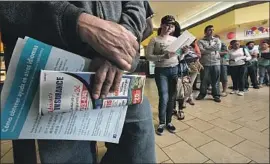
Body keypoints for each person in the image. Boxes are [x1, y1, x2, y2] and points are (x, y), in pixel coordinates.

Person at [0, 2, 156, 164]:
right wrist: (76, 21)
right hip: (57, 80)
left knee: (138, 150)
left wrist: (119, 46)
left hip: (121, 80)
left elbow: (136, 5)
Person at [146, 15, 178, 135]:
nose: (169, 28)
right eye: (167, 25)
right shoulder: (155, 40)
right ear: (162, 25)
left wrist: (184, 53)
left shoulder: (175, 40)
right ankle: (161, 122)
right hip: (161, 71)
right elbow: (149, 57)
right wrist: (163, 56)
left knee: (172, 97)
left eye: (172, 26)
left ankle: (169, 122)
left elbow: (178, 55)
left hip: (174, 69)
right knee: (164, 97)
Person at [197, 25, 222, 102]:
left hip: (216, 62)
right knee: (204, 79)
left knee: (216, 80)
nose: (211, 31)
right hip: (205, 63)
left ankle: (216, 95)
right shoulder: (200, 41)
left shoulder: (217, 40)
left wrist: (206, 49)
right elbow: (201, 51)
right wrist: (212, 49)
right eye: (209, 30)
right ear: (205, 32)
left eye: (213, 30)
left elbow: (218, 48)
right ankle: (202, 94)